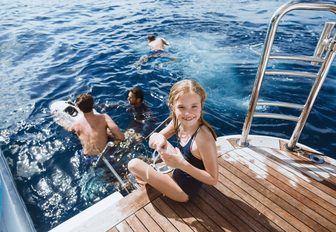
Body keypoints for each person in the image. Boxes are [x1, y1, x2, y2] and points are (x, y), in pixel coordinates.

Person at [128, 80, 218, 202]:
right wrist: (158, 138)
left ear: (201, 105)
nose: (188, 113)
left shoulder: (204, 138)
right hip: (179, 169)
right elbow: (151, 141)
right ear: (172, 107)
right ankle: (152, 181)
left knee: (133, 164)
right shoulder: (177, 121)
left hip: (184, 192)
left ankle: (148, 183)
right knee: (157, 139)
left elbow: (213, 179)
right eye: (181, 107)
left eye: (194, 106)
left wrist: (181, 164)